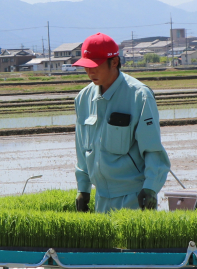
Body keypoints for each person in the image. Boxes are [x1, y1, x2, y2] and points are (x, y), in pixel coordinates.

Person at [71, 33, 171, 213]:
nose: (90, 72)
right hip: (101, 197)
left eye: (96, 66)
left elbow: (152, 149)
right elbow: (82, 150)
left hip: (133, 197)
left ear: (114, 62)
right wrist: (83, 188)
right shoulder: (83, 99)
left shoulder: (139, 96)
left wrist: (150, 187)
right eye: (87, 66)